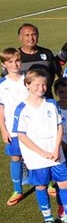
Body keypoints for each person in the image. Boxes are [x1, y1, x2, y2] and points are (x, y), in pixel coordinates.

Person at [14, 68, 67, 223]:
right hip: (36, 157)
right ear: (27, 85)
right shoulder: (22, 108)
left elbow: (59, 126)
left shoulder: (52, 104)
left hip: (55, 153)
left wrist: (55, 148)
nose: (41, 88)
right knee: (41, 186)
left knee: (64, 183)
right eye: (37, 84)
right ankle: (47, 219)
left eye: (44, 84)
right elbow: (22, 136)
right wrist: (42, 153)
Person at [0, 47, 28, 206]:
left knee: (40, 156)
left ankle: (50, 183)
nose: (15, 64)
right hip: (13, 130)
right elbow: (1, 109)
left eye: (17, 60)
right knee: (16, 157)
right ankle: (18, 189)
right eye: (10, 61)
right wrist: (3, 130)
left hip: (33, 130)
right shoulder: (2, 84)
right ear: (4, 64)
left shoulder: (29, 79)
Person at [18, 23, 60, 98]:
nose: (31, 38)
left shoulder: (47, 53)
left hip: (46, 98)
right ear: (20, 37)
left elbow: (57, 73)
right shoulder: (16, 56)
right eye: (27, 35)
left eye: (33, 34)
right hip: (24, 100)